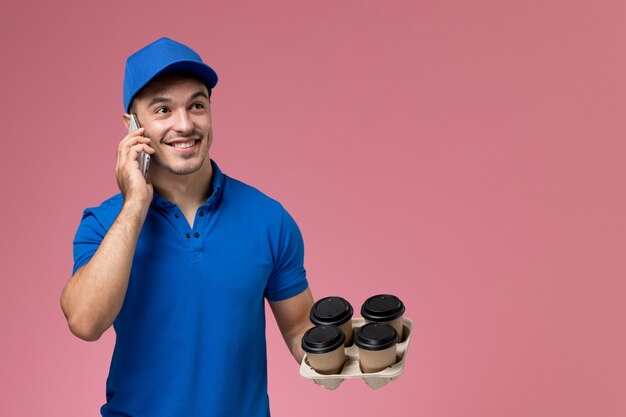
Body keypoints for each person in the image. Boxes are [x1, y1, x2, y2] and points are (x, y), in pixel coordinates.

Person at [60, 37, 314, 417]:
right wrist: (135, 204)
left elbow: (299, 330)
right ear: (132, 125)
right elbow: (85, 321)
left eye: (197, 105)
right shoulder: (104, 224)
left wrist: (359, 351)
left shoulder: (268, 218)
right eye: (163, 109)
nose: (185, 124)